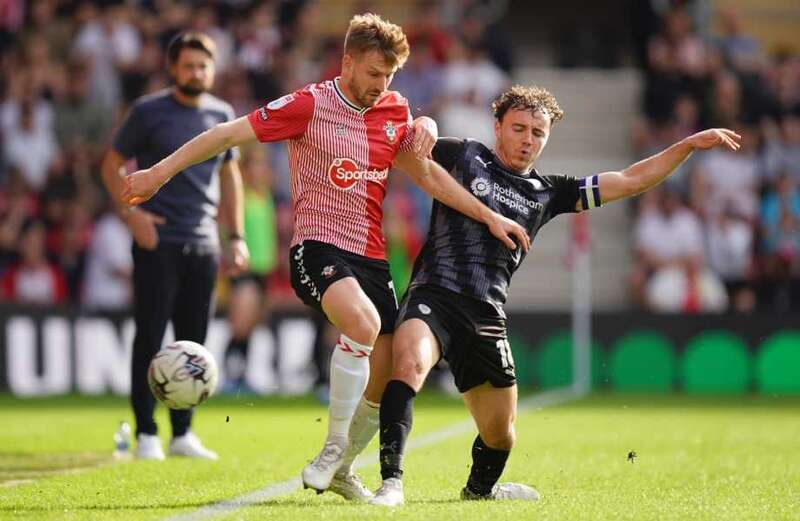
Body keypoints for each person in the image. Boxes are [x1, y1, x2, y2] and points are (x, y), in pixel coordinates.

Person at [121, 13, 529, 500]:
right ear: (349, 62)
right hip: (316, 247)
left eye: (390, 76)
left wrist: (487, 214)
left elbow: (427, 175)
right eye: (375, 73)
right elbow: (227, 135)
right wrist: (157, 174)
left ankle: (340, 469)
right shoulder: (309, 105)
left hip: (372, 259)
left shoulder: (395, 109)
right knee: (360, 324)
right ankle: (332, 450)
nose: (382, 85)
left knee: (387, 376)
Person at [369, 85, 741, 505]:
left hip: (486, 313)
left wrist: (687, 145)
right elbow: (402, 149)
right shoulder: (464, 155)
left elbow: (632, 180)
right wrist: (426, 122)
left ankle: (479, 492)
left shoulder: (549, 193)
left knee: (501, 434)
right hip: (434, 294)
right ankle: (391, 482)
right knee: (409, 364)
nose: (528, 140)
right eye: (519, 128)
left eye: (538, 133)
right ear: (498, 127)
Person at [101, 32, 249, 461]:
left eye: (203, 66)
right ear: (173, 68)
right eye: (188, 66)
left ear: (213, 68)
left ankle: (183, 433)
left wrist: (235, 236)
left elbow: (229, 177)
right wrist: (132, 216)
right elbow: (110, 165)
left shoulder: (222, 113)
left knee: (194, 342)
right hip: (157, 238)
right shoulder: (149, 111)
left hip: (202, 243)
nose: (196, 73)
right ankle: (147, 432)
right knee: (149, 336)